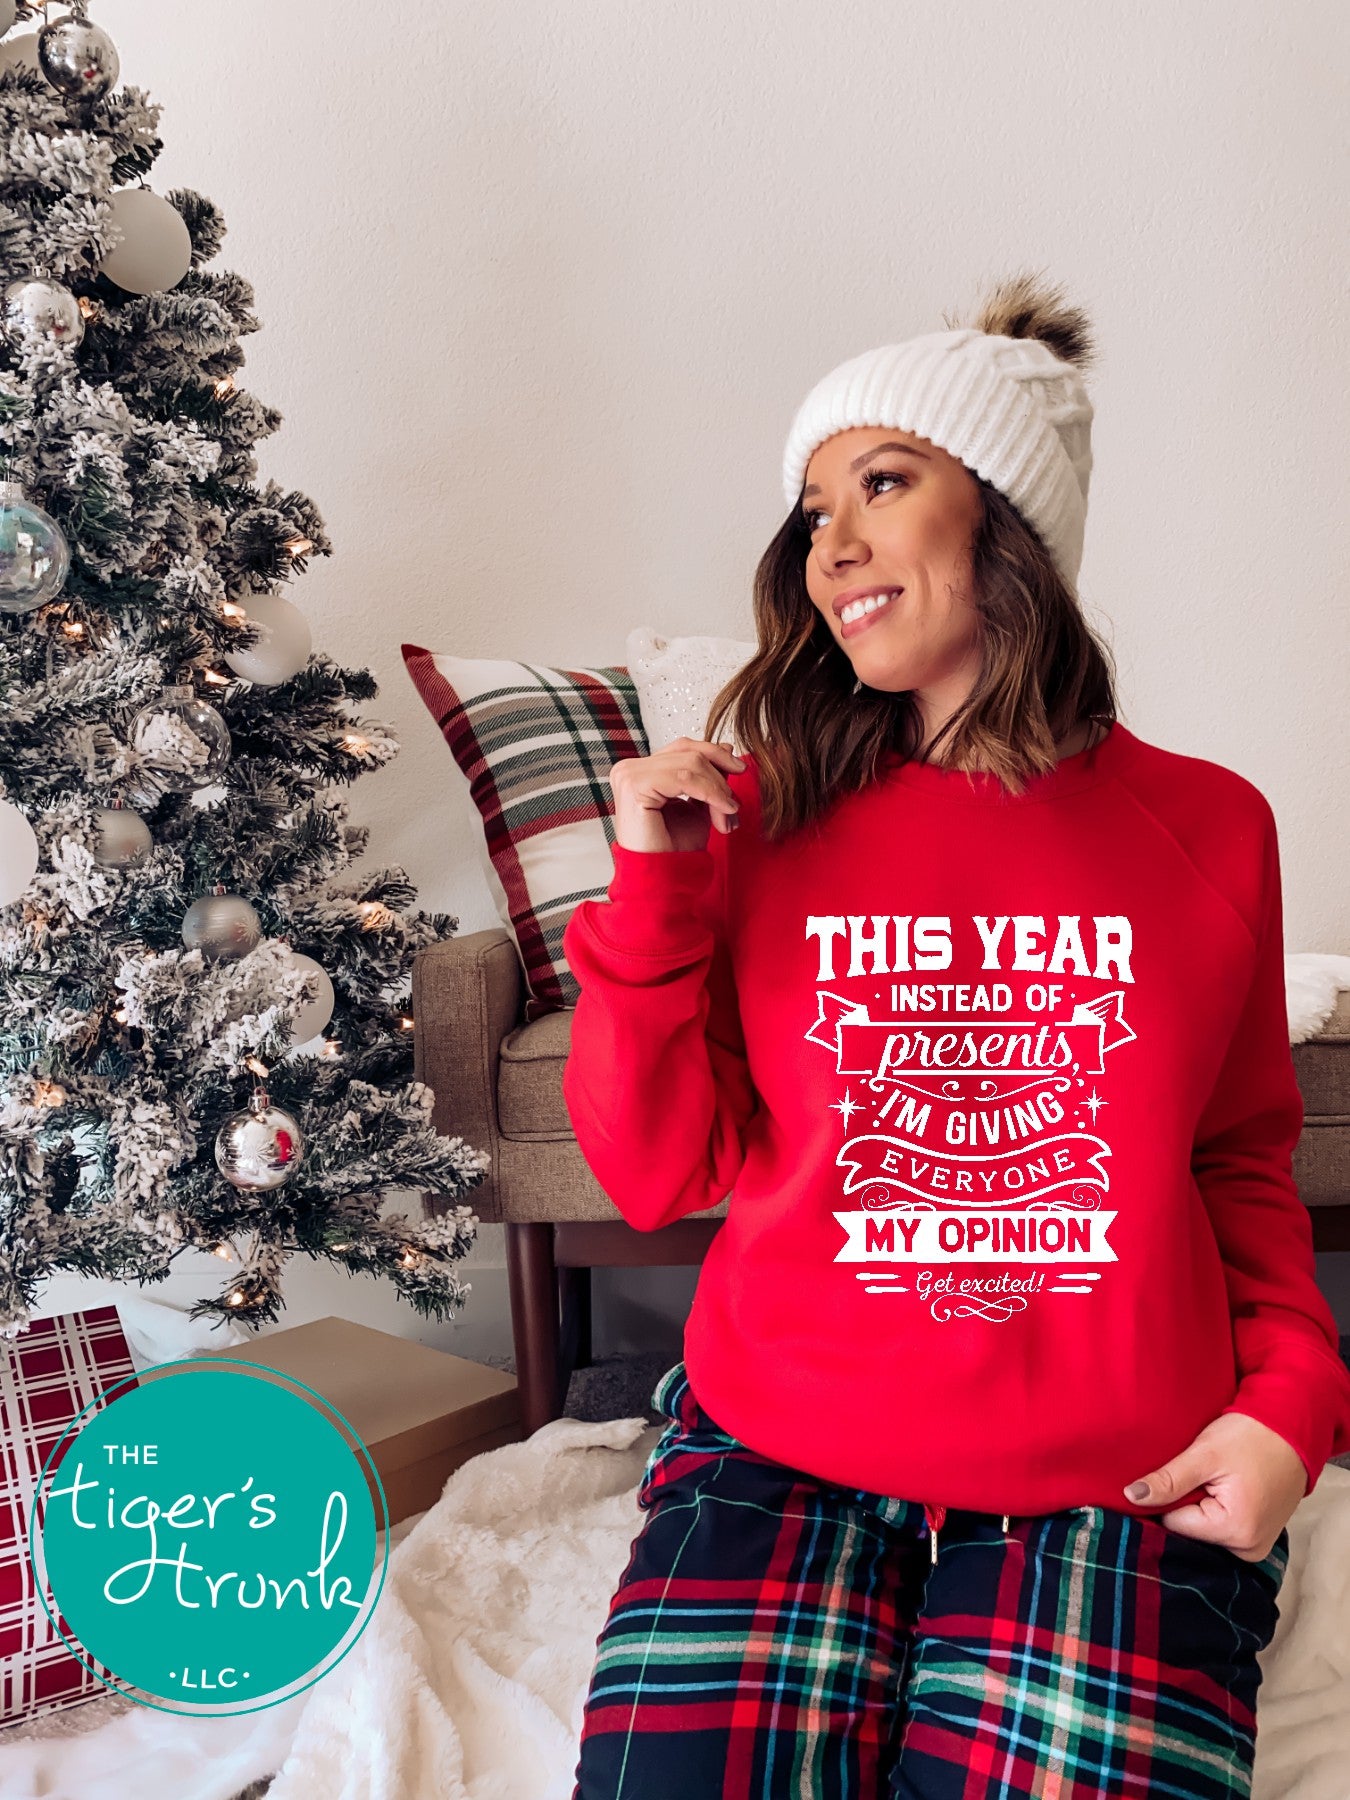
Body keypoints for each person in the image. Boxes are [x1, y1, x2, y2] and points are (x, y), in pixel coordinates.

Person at [560, 270, 1350, 1799]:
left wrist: (1287, 1413)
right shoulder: (756, 820)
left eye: (879, 483)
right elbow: (655, 1176)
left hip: (1119, 1465)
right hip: (777, 1437)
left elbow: (1238, 1162)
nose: (829, 545)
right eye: (810, 511)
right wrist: (653, 896)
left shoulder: (1206, 827)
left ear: (1007, 521)